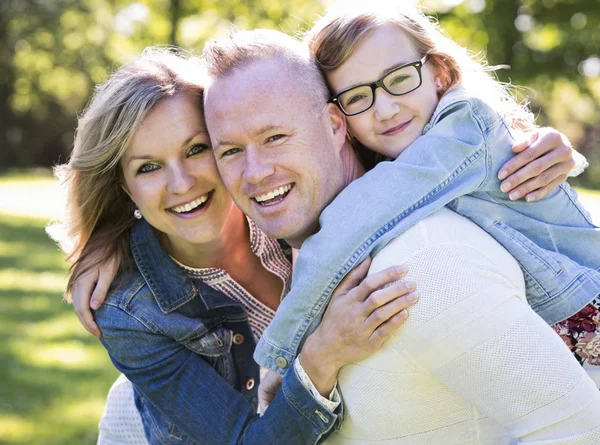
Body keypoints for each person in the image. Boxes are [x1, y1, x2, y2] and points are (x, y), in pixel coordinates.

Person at [200, 28, 600, 442]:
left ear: (337, 126)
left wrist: (285, 357)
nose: (255, 172)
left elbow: (577, 429)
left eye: (276, 137)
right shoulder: (301, 257)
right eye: (230, 151)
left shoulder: (422, 263)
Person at [55, 47, 420, 445]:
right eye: (148, 167)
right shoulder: (131, 312)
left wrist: (496, 138)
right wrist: (324, 353)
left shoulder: (286, 200)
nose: (181, 184)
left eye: (196, 149)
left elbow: (412, 122)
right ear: (125, 188)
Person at [252, 2, 600, 379]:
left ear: (439, 72)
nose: (384, 110)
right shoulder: (395, 160)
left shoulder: (465, 125)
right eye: (356, 97)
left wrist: (282, 353)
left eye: (399, 78)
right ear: (339, 117)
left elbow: (355, 221)